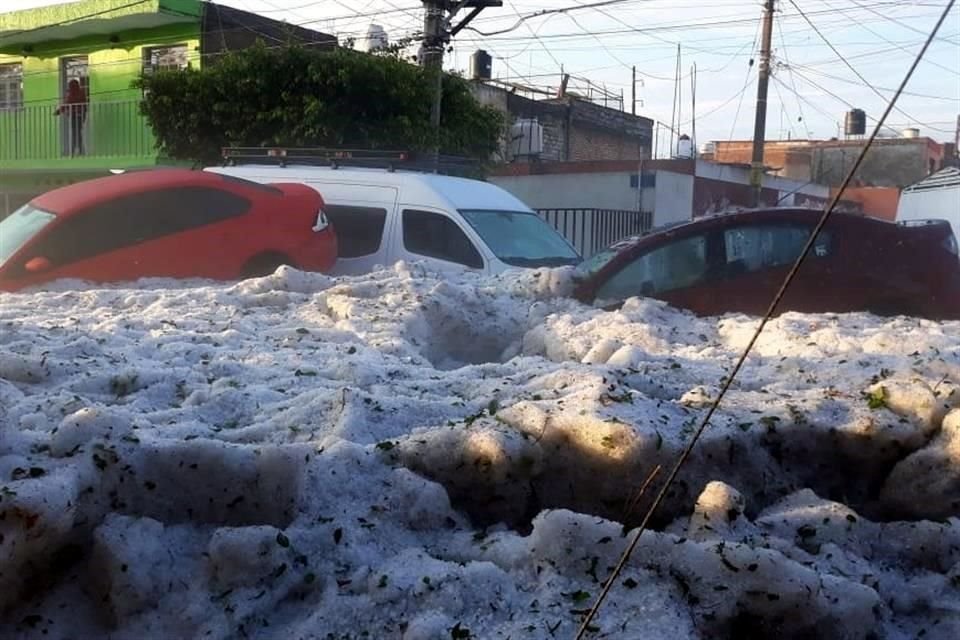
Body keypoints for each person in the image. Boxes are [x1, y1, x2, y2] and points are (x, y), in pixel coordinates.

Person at [55, 79, 88, 156]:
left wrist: (59, 111)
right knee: (78, 133)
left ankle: (74, 151)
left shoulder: (72, 94)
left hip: (75, 116)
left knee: (75, 133)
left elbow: (67, 103)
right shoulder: (81, 92)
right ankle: (80, 150)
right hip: (81, 115)